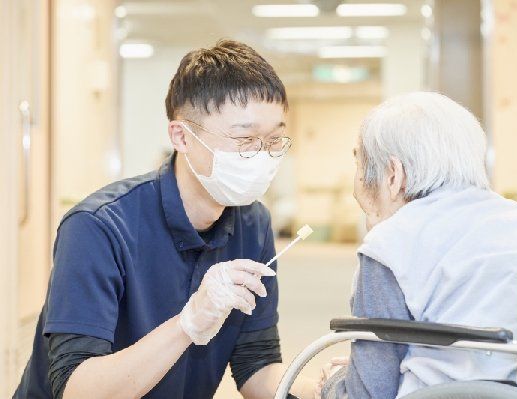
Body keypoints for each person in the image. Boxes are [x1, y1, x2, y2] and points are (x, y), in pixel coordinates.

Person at [14, 40, 314, 399]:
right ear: (181, 136)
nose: (262, 156)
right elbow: (78, 389)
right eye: (245, 139)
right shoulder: (97, 227)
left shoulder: (252, 223)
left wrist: (324, 389)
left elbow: (256, 364)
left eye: (274, 139)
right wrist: (189, 323)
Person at [317, 92, 517, 398]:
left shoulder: (390, 244)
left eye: (360, 165)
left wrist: (334, 382)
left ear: (393, 176)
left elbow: (369, 394)